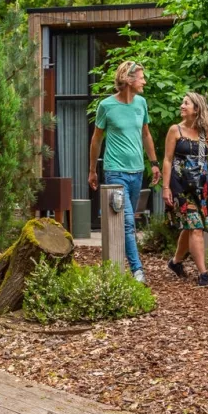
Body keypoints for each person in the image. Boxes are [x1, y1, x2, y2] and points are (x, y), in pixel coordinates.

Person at [89, 60, 161, 282]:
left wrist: (154, 162)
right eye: (141, 77)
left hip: (137, 172)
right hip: (115, 172)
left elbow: (146, 134)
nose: (144, 81)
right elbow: (96, 139)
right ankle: (137, 270)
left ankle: (115, 267)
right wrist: (93, 170)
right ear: (129, 80)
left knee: (125, 222)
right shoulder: (106, 106)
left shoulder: (141, 103)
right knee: (128, 222)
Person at [161, 91, 208, 286]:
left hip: (201, 187)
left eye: (185, 103)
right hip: (181, 187)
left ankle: (176, 262)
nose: (181, 106)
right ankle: (204, 274)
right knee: (196, 227)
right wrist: (165, 188)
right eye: (182, 102)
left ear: (196, 109)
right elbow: (168, 160)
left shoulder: (205, 132)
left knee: (191, 226)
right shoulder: (175, 131)